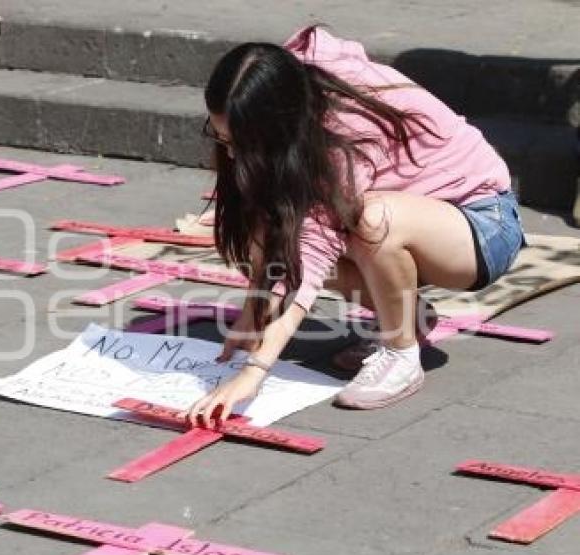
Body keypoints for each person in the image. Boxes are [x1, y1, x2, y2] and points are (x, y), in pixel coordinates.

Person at [182, 26, 525, 425]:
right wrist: (252, 316)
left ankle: (401, 354)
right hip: (420, 214)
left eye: (240, 143)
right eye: (222, 138)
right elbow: (279, 236)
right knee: (262, 227)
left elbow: (308, 257)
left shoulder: (344, 125)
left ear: (278, 124)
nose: (233, 153)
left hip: (481, 225)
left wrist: (254, 371)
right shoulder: (290, 96)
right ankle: (407, 316)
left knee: (371, 220)